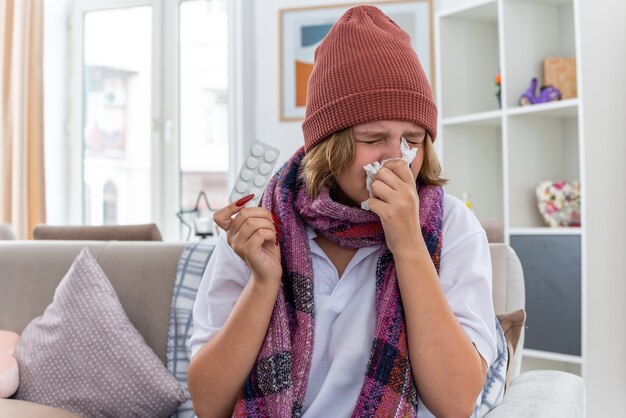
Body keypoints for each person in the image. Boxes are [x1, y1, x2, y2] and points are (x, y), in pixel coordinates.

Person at [188, 5, 506, 417]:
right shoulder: (261, 225)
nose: (396, 159)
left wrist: (409, 244)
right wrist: (264, 283)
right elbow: (209, 405)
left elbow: (454, 403)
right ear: (328, 147)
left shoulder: (451, 226)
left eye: (413, 138)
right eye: (372, 139)